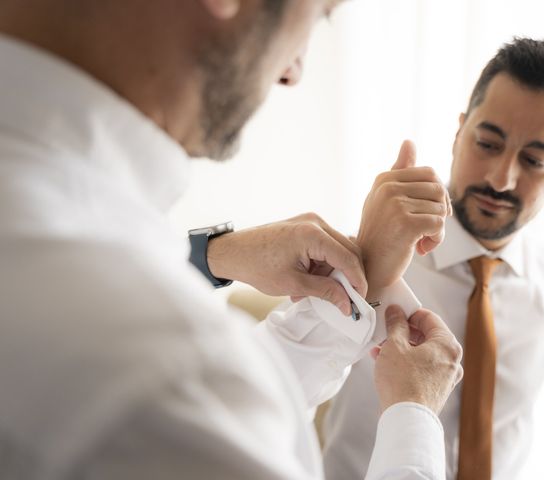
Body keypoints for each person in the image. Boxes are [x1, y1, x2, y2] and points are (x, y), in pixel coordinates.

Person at [0, 1, 463, 479]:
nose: (293, 71)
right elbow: (198, 393)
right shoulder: (171, 373)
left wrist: (218, 257)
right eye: (316, 15)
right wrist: (415, 413)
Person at [322, 38, 544, 480]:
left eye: (535, 159)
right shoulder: (372, 254)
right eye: (487, 143)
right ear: (459, 133)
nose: (501, 178)